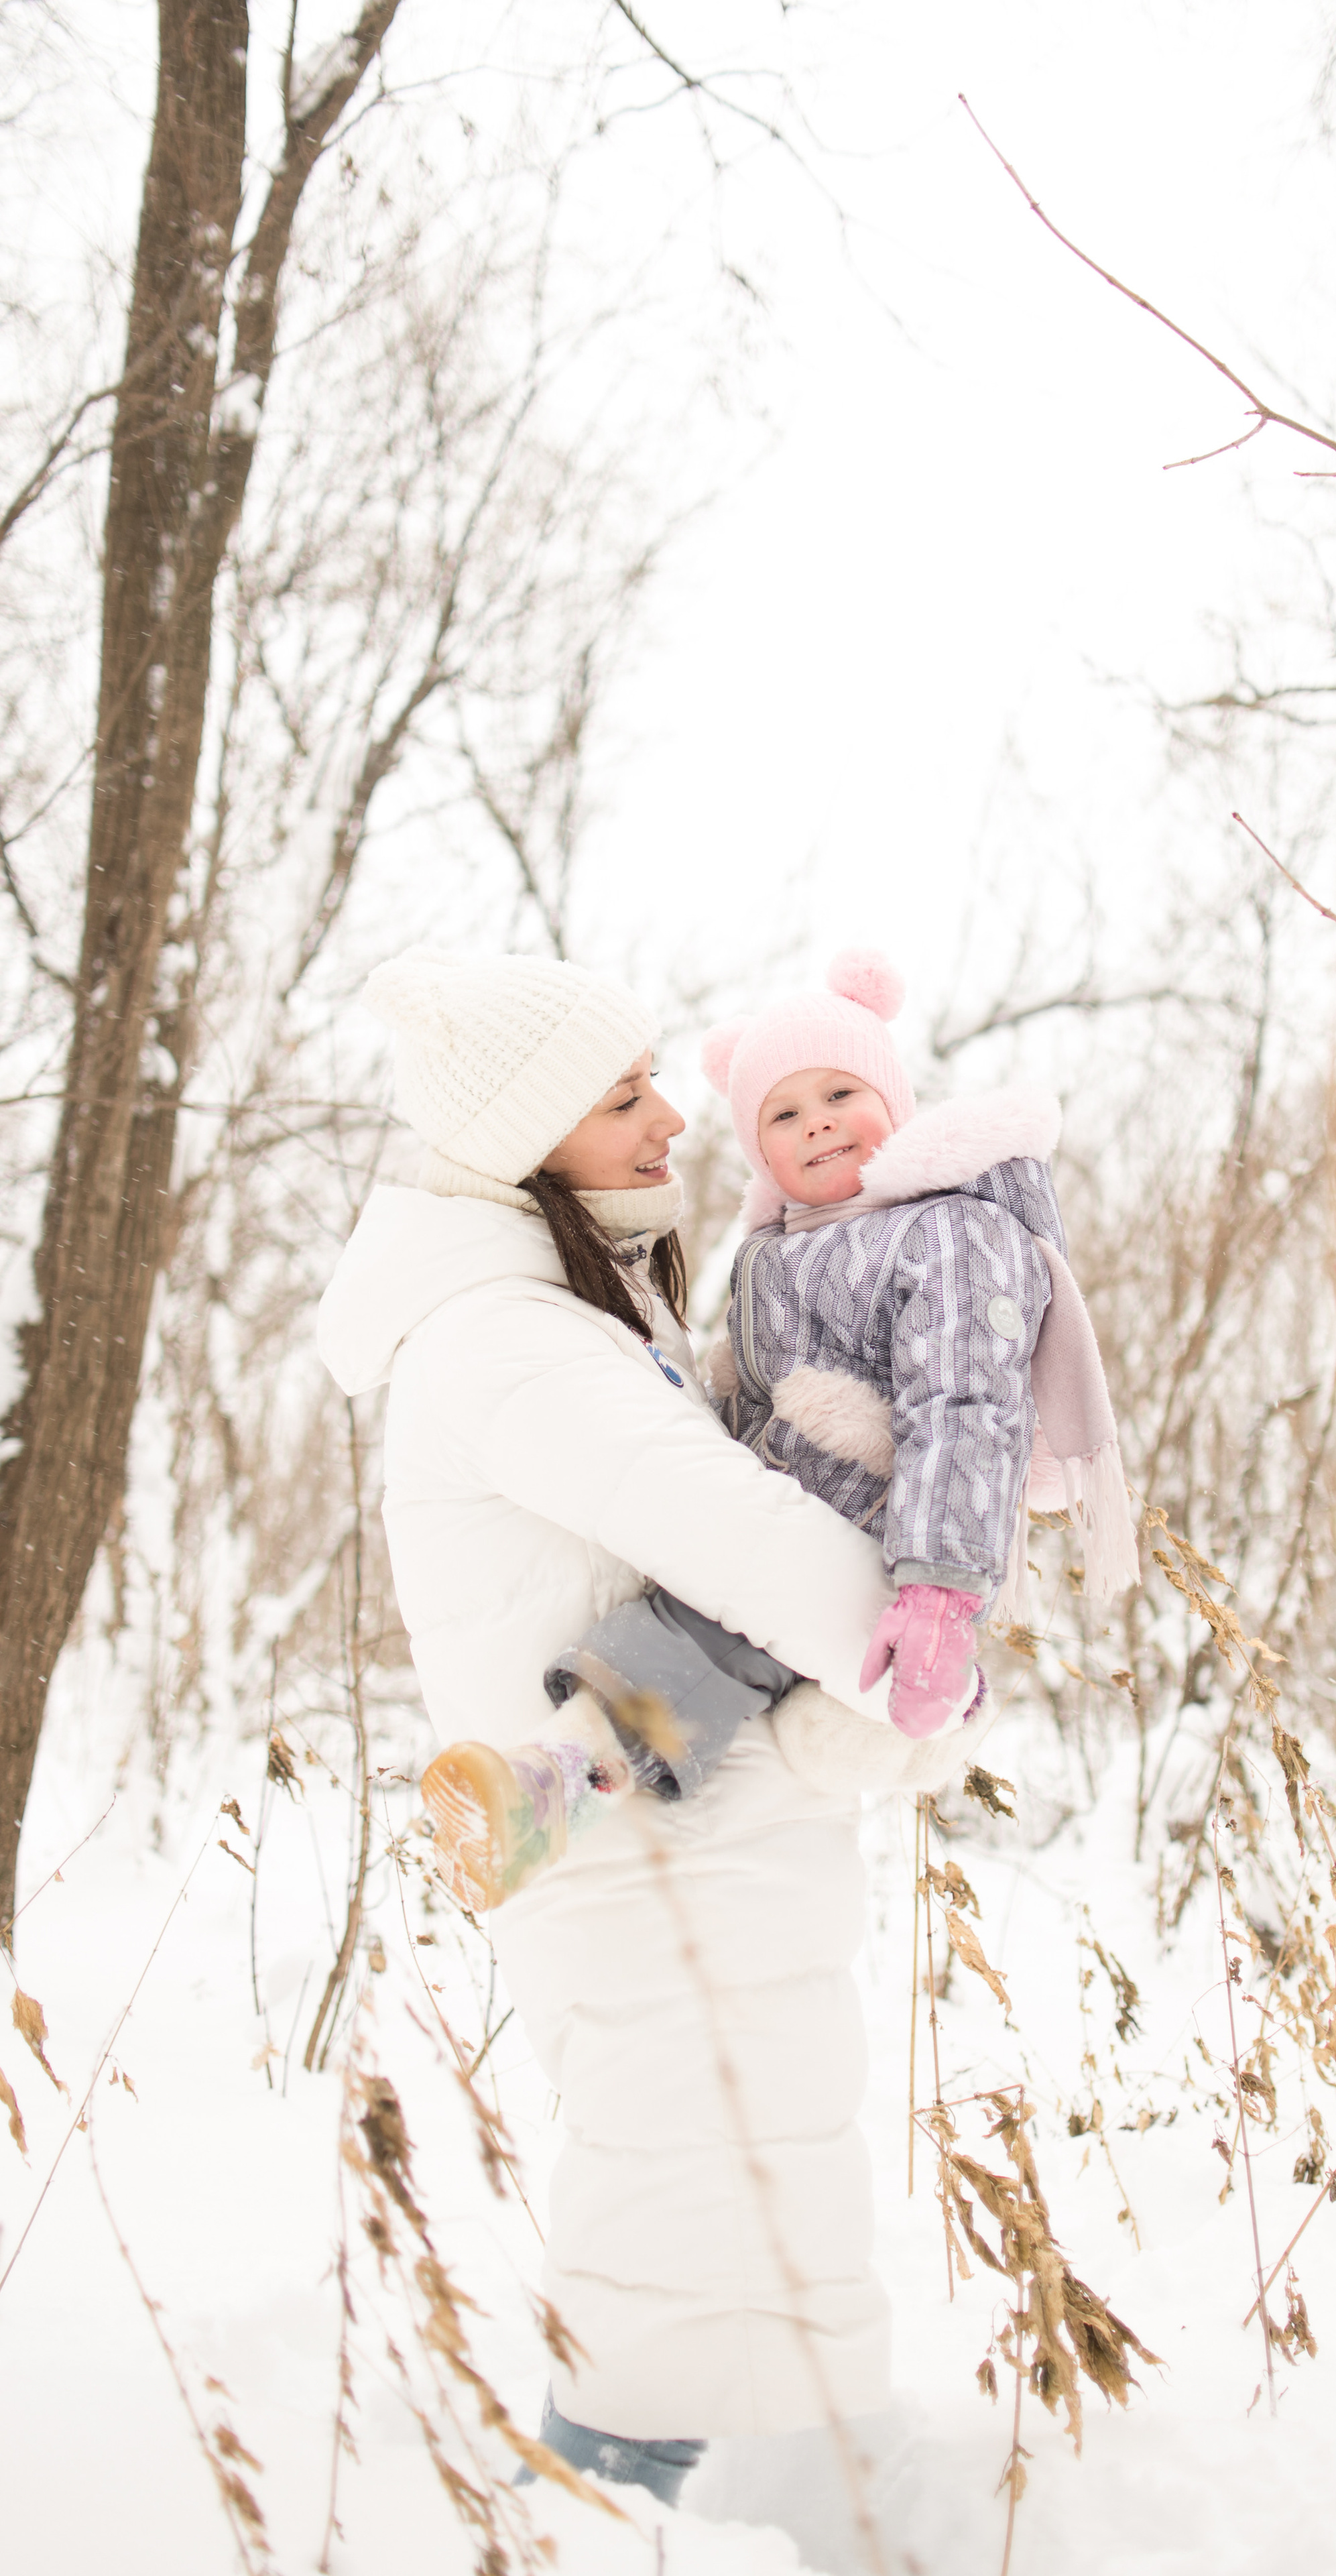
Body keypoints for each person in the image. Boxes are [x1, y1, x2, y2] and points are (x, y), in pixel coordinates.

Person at [314, 947, 975, 2521]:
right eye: (621, 1097)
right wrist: (925, 1666)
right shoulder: (509, 1340)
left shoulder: (567, 1315)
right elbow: (751, 1541)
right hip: (650, 1860)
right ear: (526, 1140)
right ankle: (585, 2520)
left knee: (732, 2217)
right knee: (678, 2230)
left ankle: (749, 2503)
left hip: (682, 1837)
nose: (672, 1115)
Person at [424, 949, 1136, 1918]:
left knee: (685, 1651)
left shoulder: (950, 1231)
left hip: (879, 1531)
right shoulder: (781, 1248)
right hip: (783, 1514)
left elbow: (968, 1408)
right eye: (783, 1115)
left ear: (894, 1098)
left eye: (841, 1093)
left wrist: (940, 1589)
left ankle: (550, 1788)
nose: (819, 1123)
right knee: (707, 1655)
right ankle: (567, 1788)